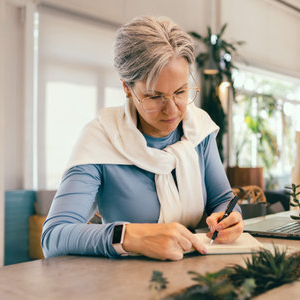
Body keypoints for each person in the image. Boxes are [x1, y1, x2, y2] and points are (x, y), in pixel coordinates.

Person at [41, 16, 244, 261]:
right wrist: (131, 237)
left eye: (180, 92)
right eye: (154, 96)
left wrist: (229, 219)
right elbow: (53, 237)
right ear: (127, 87)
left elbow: (222, 200)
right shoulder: (101, 138)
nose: (172, 110)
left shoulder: (198, 129)